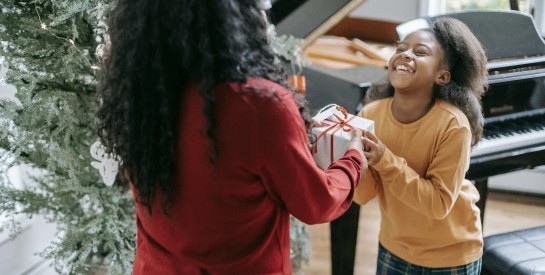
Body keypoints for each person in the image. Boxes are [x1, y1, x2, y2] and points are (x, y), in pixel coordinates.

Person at [96, 0, 368, 274]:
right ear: (236, 16)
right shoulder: (259, 104)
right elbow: (317, 203)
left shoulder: (138, 92)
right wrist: (353, 160)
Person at [355, 17, 488, 274]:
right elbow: (364, 195)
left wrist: (384, 159)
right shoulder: (370, 114)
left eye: (420, 52)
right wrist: (342, 155)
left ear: (442, 75)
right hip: (394, 246)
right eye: (401, 49)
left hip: (451, 254)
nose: (405, 55)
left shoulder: (453, 124)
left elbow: (438, 204)